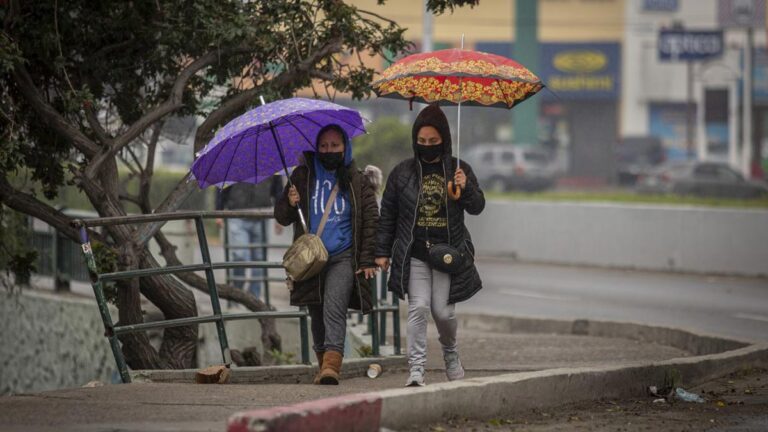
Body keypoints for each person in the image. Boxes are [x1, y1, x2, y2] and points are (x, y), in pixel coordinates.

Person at [374, 104, 485, 387]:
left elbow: (477, 208)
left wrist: (466, 187)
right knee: (418, 308)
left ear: (444, 140)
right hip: (416, 254)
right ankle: (417, 369)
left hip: (448, 254)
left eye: (433, 142)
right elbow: (388, 215)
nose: (427, 146)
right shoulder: (402, 174)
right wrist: (382, 252)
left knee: (443, 312)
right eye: (421, 142)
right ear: (415, 141)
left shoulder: (459, 169)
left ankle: (450, 352)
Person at [274, 124, 379, 385]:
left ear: (345, 147)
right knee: (316, 313)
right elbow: (282, 217)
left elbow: (371, 221)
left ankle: (332, 366)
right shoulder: (301, 175)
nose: (329, 150)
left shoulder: (357, 179)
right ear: (315, 148)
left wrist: (367, 258)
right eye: (323, 146)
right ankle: (323, 366)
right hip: (311, 259)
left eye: (334, 146)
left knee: (334, 305)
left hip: (343, 256)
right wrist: (289, 202)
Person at [216, 176, 283, 299]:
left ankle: (254, 297)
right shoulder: (233, 160)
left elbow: (278, 190)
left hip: (261, 214)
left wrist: (281, 216)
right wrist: (218, 210)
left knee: (259, 258)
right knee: (240, 255)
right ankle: (237, 292)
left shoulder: (271, 160)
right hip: (237, 214)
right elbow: (222, 184)